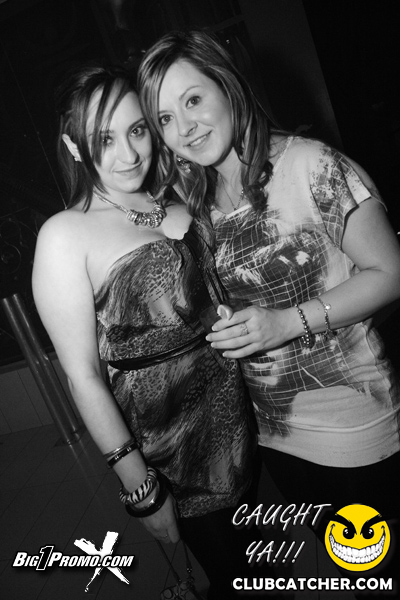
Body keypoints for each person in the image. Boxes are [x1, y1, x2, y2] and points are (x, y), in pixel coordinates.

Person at [138, 30, 400, 591]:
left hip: (352, 430)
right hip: (273, 439)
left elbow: (391, 272)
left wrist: (287, 321)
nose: (185, 128)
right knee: (349, 569)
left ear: (228, 86)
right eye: (164, 119)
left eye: (193, 99)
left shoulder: (310, 164)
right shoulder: (197, 205)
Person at [32, 62, 261, 599]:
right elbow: (83, 377)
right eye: (104, 139)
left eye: (137, 130)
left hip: (244, 418)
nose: (130, 154)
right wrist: (139, 486)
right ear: (73, 147)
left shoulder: (171, 198)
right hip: (175, 446)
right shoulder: (65, 235)